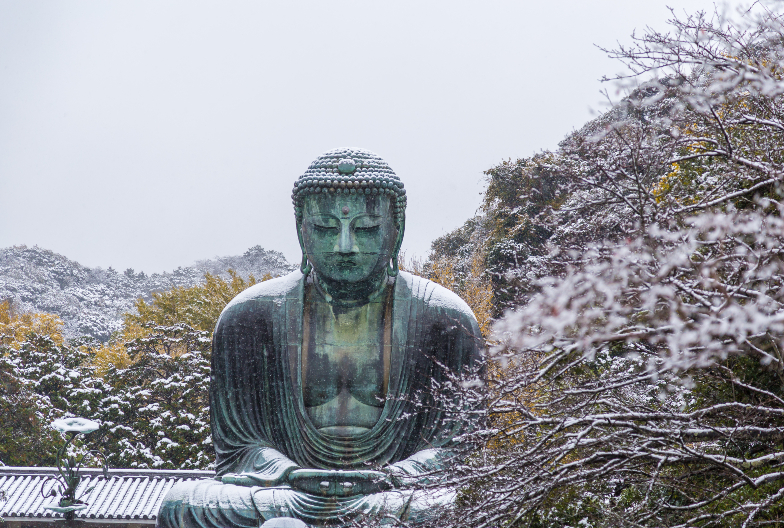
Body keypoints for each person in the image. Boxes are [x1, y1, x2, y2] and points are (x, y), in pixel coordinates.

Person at [157, 148, 483, 528]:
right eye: (327, 229)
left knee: (462, 505)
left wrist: (392, 477)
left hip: (394, 495)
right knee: (182, 505)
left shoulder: (444, 318)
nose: (345, 246)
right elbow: (237, 449)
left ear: (397, 230)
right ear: (301, 230)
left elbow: (461, 451)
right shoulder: (250, 315)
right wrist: (291, 473)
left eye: (365, 228)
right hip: (289, 493)